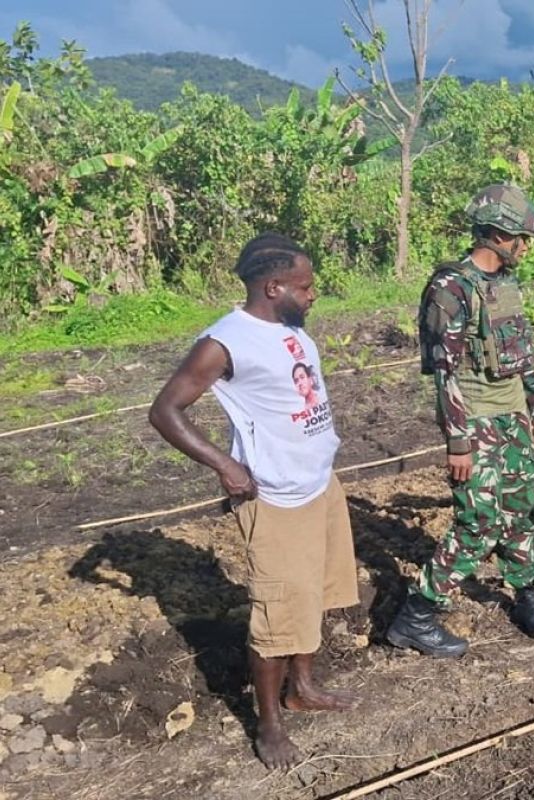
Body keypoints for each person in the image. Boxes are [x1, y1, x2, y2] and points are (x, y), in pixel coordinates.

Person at [148, 232, 359, 769]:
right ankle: (268, 724)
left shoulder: (289, 328)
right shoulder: (224, 342)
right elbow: (165, 410)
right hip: (276, 499)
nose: (313, 295)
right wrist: (226, 465)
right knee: (277, 615)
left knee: (311, 595)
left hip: (317, 483)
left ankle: (302, 687)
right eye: (305, 287)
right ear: (273, 287)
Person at [385, 183, 534, 659]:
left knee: (519, 508)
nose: (525, 246)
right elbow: (445, 374)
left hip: (513, 415)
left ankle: (526, 598)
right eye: (522, 238)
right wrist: (457, 440)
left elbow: (522, 353)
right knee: (479, 522)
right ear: (499, 234)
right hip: (475, 421)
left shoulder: (506, 283)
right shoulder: (450, 288)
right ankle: (417, 614)